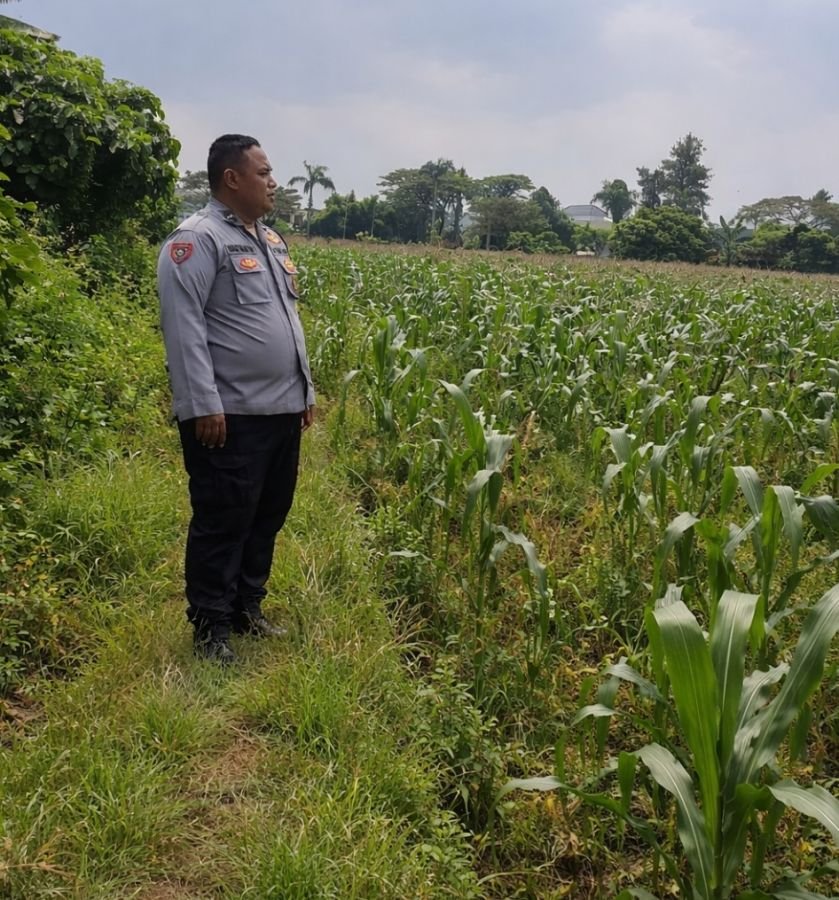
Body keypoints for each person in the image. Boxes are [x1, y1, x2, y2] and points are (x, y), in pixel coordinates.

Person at [157, 134, 315, 665]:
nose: (273, 183)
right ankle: (211, 627)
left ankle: (248, 607)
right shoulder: (196, 240)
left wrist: (305, 391)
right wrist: (202, 403)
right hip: (228, 416)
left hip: (280, 411)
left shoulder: (269, 240)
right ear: (232, 178)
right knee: (223, 519)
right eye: (263, 173)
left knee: (267, 514)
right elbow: (183, 328)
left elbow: (286, 321)